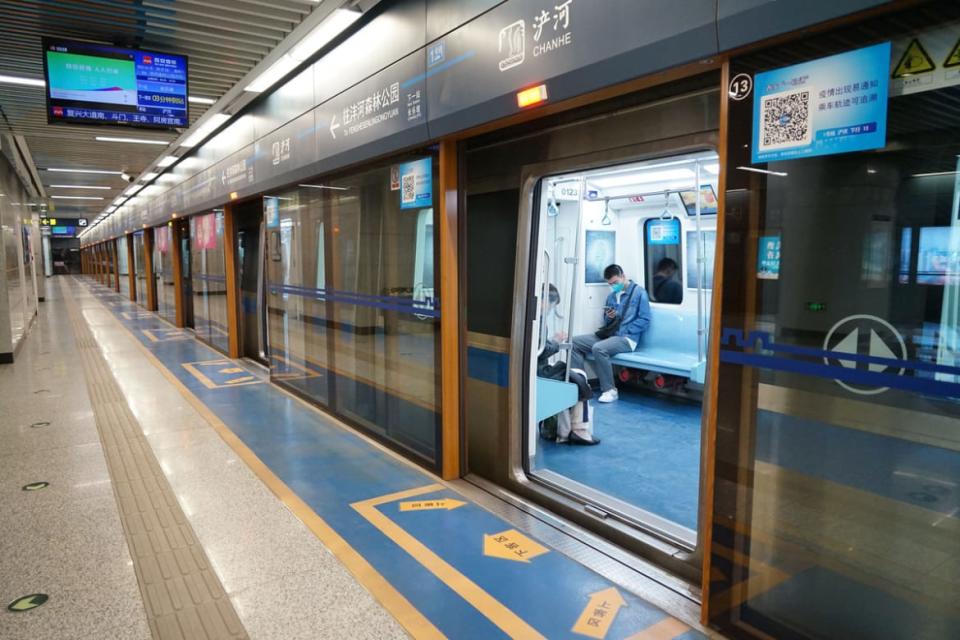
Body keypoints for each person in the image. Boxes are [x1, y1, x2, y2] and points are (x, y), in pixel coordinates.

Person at [570, 264, 651, 403]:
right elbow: (607, 322)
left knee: (599, 348)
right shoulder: (611, 297)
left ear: (623, 276)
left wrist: (628, 330)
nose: (613, 286)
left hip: (627, 338)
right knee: (573, 342)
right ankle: (580, 383)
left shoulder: (639, 293)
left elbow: (645, 319)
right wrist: (610, 317)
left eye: (615, 283)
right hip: (610, 335)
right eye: (610, 284)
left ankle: (610, 390)